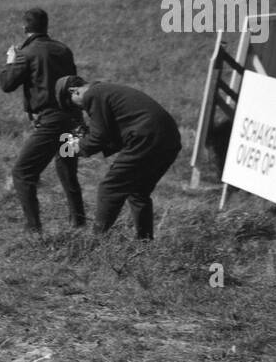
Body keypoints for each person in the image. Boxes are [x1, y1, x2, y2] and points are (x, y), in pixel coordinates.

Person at [56, 76, 182, 240]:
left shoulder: (93, 95)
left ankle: (96, 242)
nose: (81, 110)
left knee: (110, 188)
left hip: (147, 137)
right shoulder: (105, 91)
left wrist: (75, 148)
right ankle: (144, 243)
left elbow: (98, 137)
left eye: (73, 104)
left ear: (74, 91)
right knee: (138, 192)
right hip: (168, 139)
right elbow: (112, 132)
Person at [0, 8, 86, 235]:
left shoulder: (26, 54)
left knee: (22, 173)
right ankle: (79, 224)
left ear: (25, 28)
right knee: (67, 169)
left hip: (50, 123)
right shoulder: (64, 50)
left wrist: (10, 60)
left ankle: (33, 231)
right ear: (46, 26)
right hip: (72, 120)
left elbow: (8, 84)